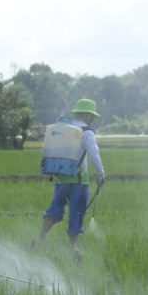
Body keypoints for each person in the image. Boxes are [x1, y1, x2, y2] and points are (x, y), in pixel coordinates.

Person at [35, 98, 106, 261]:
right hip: (79, 180)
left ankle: (40, 238)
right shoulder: (86, 132)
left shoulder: (64, 129)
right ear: (88, 115)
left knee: (54, 209)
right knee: (77, 212)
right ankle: (73, 248)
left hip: (61, 178)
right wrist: (101, 173)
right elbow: (94, 153)